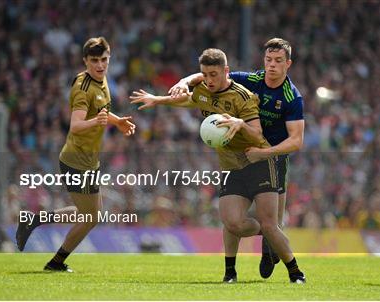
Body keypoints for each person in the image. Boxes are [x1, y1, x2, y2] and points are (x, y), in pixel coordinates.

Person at [130, 48, 305, 284]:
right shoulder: (203, 89)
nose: (209, 80)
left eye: (213, 75)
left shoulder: (244, 96)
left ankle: (296, 273)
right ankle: (246, 255)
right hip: (230, 166)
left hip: (259, 161)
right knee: (233, 223)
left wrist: (240, 124)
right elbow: (189, 99)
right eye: (205, 75)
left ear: (225, 72)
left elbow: (256, 134)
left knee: (270, 222)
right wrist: (158, 99)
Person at [16, 37, 136, 272]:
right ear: (85, 61)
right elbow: (76, 125)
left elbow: (102, 112)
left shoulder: (102, 81)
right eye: (94, 61)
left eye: (104, 60)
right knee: (90, 217)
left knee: (91, 214)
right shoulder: (83, 88)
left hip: (89, 159)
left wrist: (117, 121)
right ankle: (56, 262)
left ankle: (34, 221)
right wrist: (99, 120)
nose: (100, 65)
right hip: (76, 160)